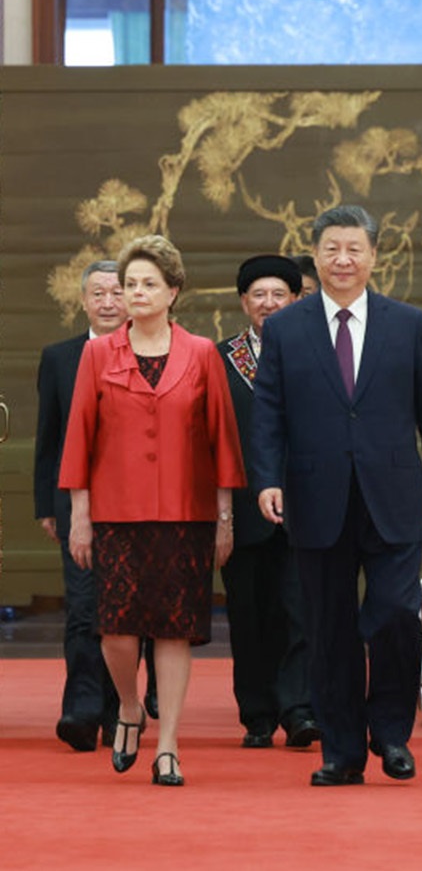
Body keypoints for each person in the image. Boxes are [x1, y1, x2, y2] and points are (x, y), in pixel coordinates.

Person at [251, 204, 422, 787]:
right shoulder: (286, 328)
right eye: (332, 249)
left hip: (395, 493)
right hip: (315, 495)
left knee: (395, 614)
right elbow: (268, 413)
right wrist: (267, 478)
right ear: (315, 256)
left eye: (354, 249)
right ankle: (341, 752)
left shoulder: (407, 323)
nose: (343, 259)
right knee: (329, 628)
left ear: (373, 256)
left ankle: (390, 733)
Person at [59, 235, 247, 786]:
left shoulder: (202, 353)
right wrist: (79, 514)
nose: (136, 293)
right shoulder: (98, 354)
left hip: (185, 514)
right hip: (117, 513)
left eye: (148, 284)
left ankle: (168, 746)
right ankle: (128, 705)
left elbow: (222, 439)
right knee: (116, 632)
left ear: (173, 291)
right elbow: (79, 439)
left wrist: (224, 517)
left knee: (173, 631)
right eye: (130, 284)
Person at [34, 260, 153, 752]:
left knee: (127, 610)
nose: (108, 302)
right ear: (82, 301)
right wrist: (47, 504)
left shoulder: (150, 351)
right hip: (76, 502)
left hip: (138, 503)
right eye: (98, 293)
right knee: (84, 609)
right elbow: (49, 437)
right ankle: (81, 709)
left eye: (116, 292)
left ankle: (118, 709)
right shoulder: (59, 357)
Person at [217, 255, 318, 750]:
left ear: (296, 300)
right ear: (244, 302)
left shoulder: (318, 351)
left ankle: (299, 710)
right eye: (259, 295)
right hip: (241, 508)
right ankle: (257, 713)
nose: (269, 303)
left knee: (302, 611)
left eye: (280, 294)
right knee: (249, 615)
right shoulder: (220, 359)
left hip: (306, 504)